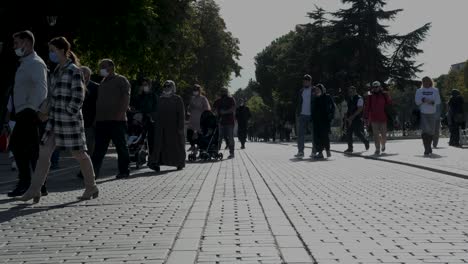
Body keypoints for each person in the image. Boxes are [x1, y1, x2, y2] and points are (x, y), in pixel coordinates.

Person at [20, 36, 98, 202]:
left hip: (70, 121)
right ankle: (35, 189)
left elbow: (78, 96)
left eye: (53, 50)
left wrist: (68, 111)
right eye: (50, 51)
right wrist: (45, 110)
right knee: (44, 153)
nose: (51, 54)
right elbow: (52, 95)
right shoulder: (56, 70)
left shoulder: (74, 70)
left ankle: (91, 187)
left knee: (79, 154)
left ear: (62, 50)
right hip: (55, 121)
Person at [7, 31, 48, 197]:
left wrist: (39, 110)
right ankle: (39, 185)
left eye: (17, 43)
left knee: (17, 146)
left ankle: (26, 183)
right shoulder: (25, 63)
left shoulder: (36, 63)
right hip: (24, 111)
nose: (14, 47)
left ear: (27, 43)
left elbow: (42, 87)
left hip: (30, 111)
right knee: (32, 150)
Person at [91, 59, 131, 179]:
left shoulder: (121, 80)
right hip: (102, 121)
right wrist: (96, 119)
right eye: (100, 67)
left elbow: (126, 97)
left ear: (112, 67)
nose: (101, 69)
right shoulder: (103, 82)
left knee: (121, 147)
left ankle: (124, 171)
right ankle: (93, 174)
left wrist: (120, 114)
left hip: (117, 121)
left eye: (103, 66)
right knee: (99, 149)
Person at [149, 80, 186, 171]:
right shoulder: (160, 98)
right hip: (160, 127)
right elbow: (155, 111)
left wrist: (180, 127)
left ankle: (179, 163)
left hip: (173, 127)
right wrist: (153, 117)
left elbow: (181, 114)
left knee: (176, 145)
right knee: (158, 145)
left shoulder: (177, 99)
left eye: (168, 86)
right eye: (165, 86)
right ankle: (155, 163)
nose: (166, 88)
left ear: (173, 87)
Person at [415, 76, 441, 156]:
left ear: (430, 82)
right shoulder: (419, 91)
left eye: (427, 81)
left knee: (431, 131)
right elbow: (417, 102)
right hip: (423, 113)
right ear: (422, 83)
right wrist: (423, 100)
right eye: (424, 81)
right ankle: (427, 148)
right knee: (425, 130)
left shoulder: (435, 90)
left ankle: (429, 146)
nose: (425, 83)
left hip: (433, 113)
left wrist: (432, 102)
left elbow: (438, 101)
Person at [363, 81, 392, 155]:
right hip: (373, 118)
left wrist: (387, 95)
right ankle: (377, 149)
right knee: (376, 135)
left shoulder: (384, 94)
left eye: (377, 87)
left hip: (383, 117)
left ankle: (383, 144)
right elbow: (367, 107)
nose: (375, 88)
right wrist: (366, 117)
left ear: (380, 87)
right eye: (374, 87)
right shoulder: (370, 96)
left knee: (384, 135)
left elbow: (389, 103)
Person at [133, 78, 158, 158]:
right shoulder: (140, 96)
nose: (144, 87)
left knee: (151, 138)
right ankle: (137, 151)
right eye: (143, 85)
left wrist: (151, 115)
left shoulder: (153, 96)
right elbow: (135, 105)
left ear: (150, 86)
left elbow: (156, 108)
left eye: (146, 85)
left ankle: (152, 156)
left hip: (150, 118)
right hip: (141, 118)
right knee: (139, 135)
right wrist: (139, 94)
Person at [312, 84, 335, 159]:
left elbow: (333, 107)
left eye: (318, 89)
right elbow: (313, 110)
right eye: (316, 90)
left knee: (324, 136)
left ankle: (328, 150)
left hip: (325, 120)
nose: (317, 91)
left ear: (322, 90)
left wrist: (331, 115)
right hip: (316, 121)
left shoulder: (327, 97)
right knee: (317, 137)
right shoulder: (315, 98)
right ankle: (320, 152)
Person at [344, 86, 370, 153]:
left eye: (352, 91)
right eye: (349, 92)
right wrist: (347, 117)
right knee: (349, 133)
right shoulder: (349, 99)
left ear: (355, 91)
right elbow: (348, 109)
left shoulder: (359, 98)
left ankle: (366, 142)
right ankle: (350, 148)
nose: (350, 93)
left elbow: (360, 109)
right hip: (350, 118)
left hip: (357, 118)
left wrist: (352, 117)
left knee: (357, 133)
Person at [295, 74, 315, 158]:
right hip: (302, 115)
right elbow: (299, 102)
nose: (306, 82)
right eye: (304, 81)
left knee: (314, 134)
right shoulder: (301, 91)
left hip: (312, 115)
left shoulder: (314, 90)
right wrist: (297, 113)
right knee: (300, 134)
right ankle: (300, 152)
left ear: (310, 81)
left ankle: (314, 151)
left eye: (307, 80)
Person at [80, 66, 99, 155]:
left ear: (89, 75)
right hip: (78, 120)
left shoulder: (95, 87)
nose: (83, 76)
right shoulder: (76, 85)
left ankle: (89, 164)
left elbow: (98, 105)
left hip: (90, 121)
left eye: (85, 74)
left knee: (89, 144)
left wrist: (96, 120)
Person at [213, 88, 236, 158]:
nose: (223, 93)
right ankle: (216, 151)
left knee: (230, 137)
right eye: (222, 91)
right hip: (221, 122)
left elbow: (233, 108)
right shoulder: (218, 101)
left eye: (224, 91)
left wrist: (225, 112)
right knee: (219, 137)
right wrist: (216, 113)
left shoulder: (231, 99)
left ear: (227, 92)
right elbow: (215, 110)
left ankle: (232, 152)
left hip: (229, 122)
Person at [187, 84, 211, 151]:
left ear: (199, 91)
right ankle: (192, 146)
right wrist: (189, 109)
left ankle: (199, 148)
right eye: (194, 90)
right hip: (192, 120)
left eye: (196, 90)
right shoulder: (192, 98)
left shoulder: (203, 98)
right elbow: (189, 108)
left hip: (200, 120)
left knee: (199, 136)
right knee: (189, 133)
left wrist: (198, 108)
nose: (194, 91)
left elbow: (207, 109)